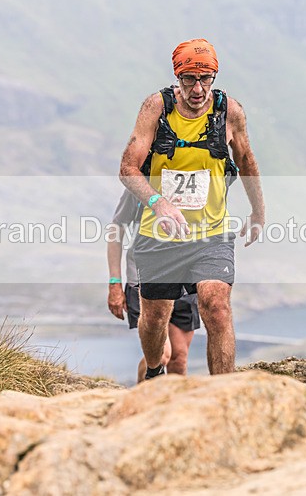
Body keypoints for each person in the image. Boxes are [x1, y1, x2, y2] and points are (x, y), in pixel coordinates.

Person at [119, 38, 265, 378]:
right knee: (155, 320)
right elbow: (127, 168)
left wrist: (258, 211)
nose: (197, 89)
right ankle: (155, 369)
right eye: (189, 80)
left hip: (211, 233)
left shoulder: (230, 111)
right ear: (177, 77)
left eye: (205, 79)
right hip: (159, 236)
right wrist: (159, 203)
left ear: (214, 77)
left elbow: (245, 159)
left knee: (217, 308)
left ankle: (222, 396)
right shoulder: (155, 108)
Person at [106, 189, 201, 382]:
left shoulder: (195, 180)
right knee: (161, 356)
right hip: (143, 280)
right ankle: (142, 398)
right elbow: (117, 229)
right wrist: (115, 283)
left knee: (179, 359)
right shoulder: (140, 184)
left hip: (184, 278)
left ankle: (171, 408)